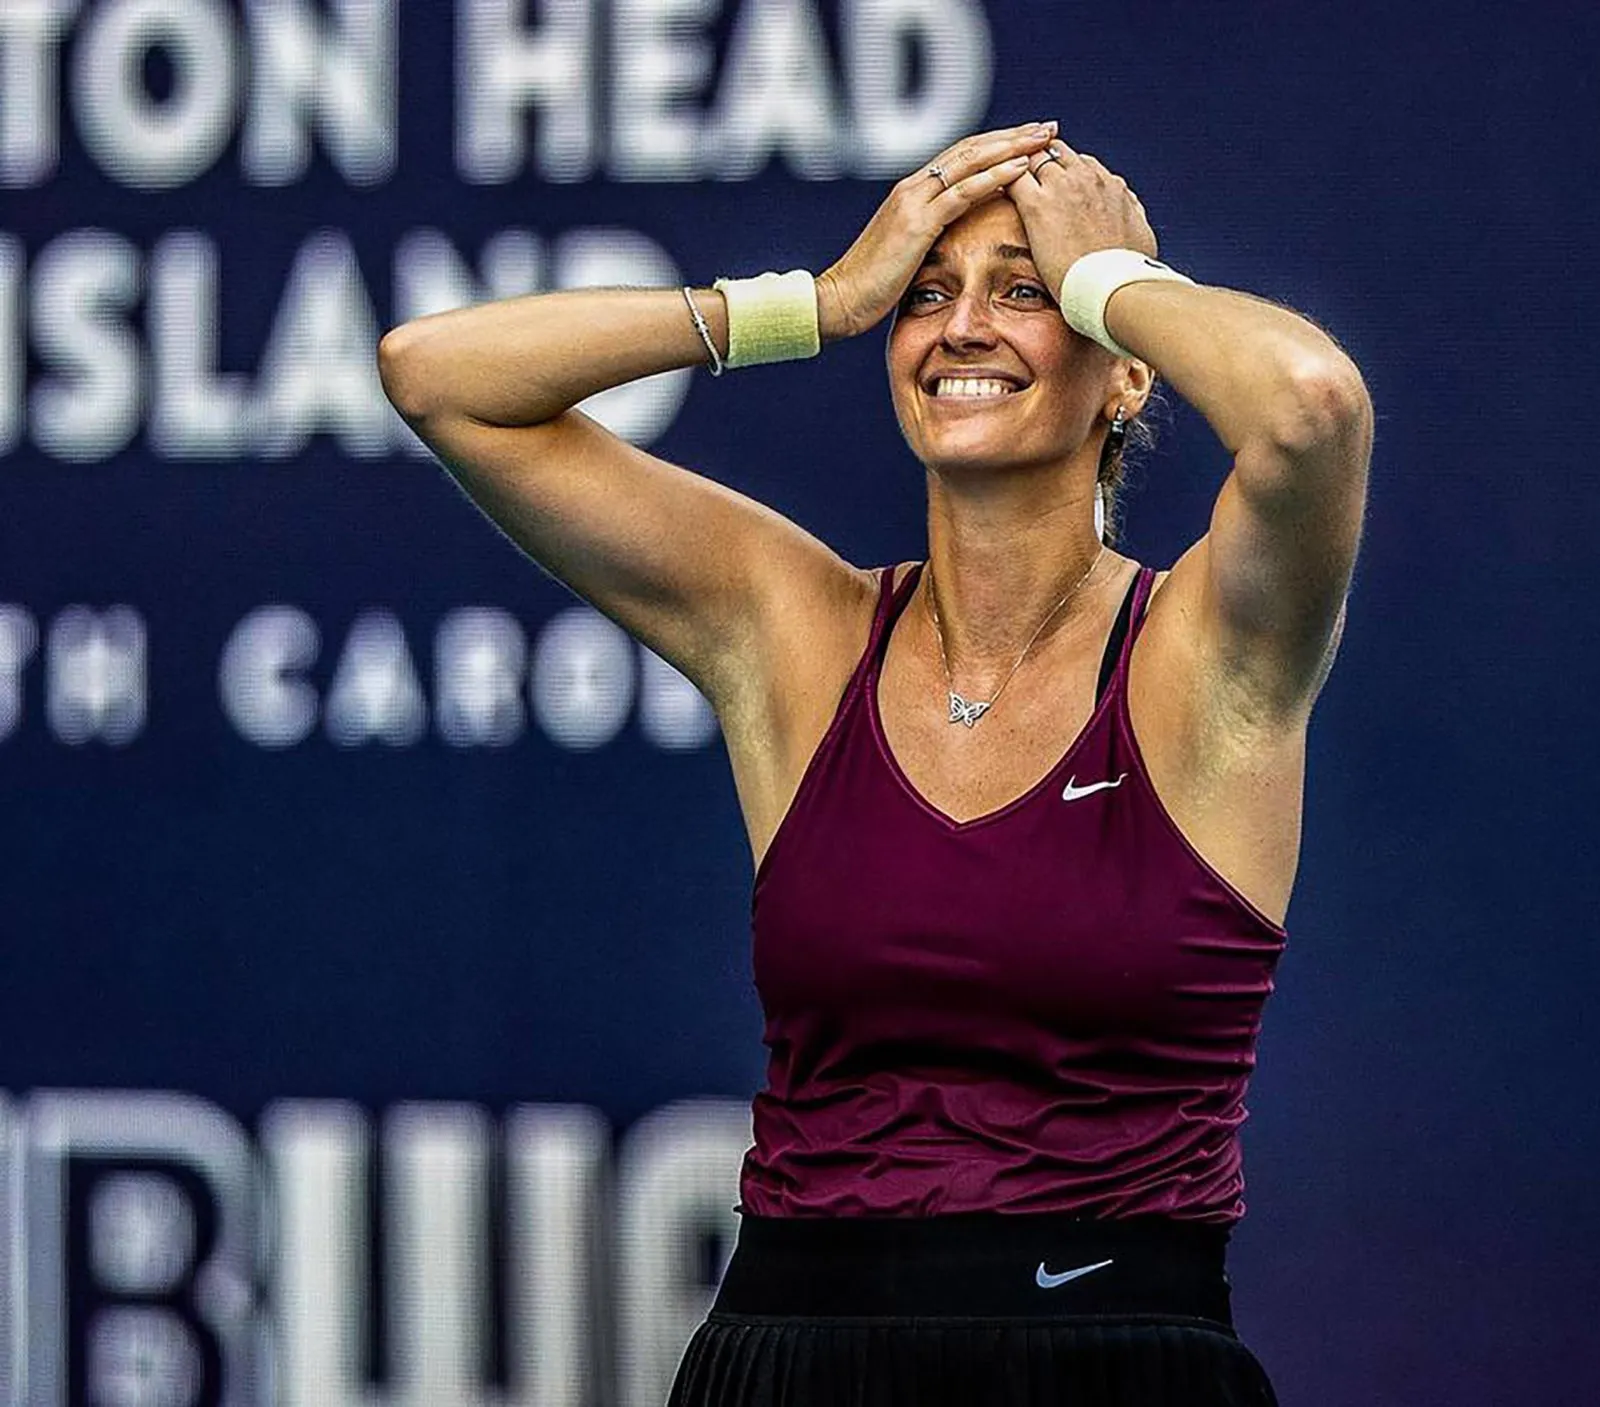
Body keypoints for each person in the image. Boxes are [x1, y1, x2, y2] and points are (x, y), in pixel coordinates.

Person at [378, 119, 1371, 1407]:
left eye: (1024, 292)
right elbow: (436, 375)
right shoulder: (796, 628)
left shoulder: (1208, 652)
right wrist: (818, 302)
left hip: (1116, 1361)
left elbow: (1310, 406)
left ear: (1125, 375)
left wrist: (1111, 277)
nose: (963, 329)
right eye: (928, 296)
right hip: (791, 1361)